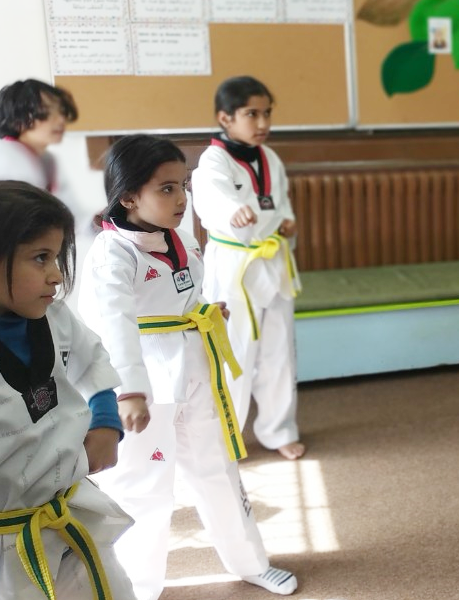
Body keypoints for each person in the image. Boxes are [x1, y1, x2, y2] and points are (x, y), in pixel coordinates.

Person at [77, 134, 297, 599]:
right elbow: (113, 327)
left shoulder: (179, 237)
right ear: (128, 196)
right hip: (146, 389)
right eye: (166, 189)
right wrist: (129, 392)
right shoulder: (112, 253)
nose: (181, 199)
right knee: (145, 488)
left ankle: (250, 562)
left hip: (196, 370)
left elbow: (185, 294)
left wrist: (207, 309)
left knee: (218, 469)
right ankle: (138, 588)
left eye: (183, 186)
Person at [0, 181, 135, 600]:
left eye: (57, 257)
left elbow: (91, 359)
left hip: (70, 510)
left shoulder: (53, 317)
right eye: (41, 258)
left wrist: (106, 420)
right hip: (8, 545)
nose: (57, 275)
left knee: (112, 589)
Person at [192, 75, 304, 460]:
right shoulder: (213, 161)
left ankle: (278, 429)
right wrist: (232, 212)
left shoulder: (271, 158)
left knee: (280, 353)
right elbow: (212, 201)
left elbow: (281, 204)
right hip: (234, 267)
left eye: (267, 113)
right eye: (251, 114)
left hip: (273, 263)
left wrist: (287, 223)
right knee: (234, 353)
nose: (262, 123)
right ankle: (227, 436)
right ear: (225, 118)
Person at [0, 79, 77, 194]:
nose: (61, 120)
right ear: (17, 119)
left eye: (61, 111)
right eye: (45, 111)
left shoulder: (48, 159)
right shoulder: (7, 156)